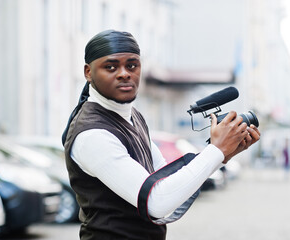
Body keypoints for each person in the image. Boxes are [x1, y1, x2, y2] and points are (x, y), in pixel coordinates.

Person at [62, 30, 261, 240]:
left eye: (132, 65)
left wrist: (223, 154)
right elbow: (155, 202)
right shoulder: (92, 134)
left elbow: (166, 180)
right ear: (88, 72)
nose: (124, 73)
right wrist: (216, 151)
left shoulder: (133, 116)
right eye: (110, 67)